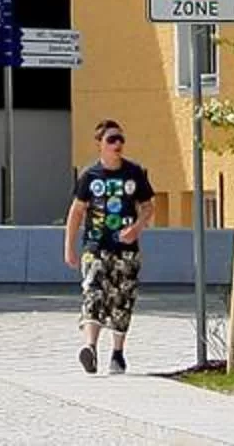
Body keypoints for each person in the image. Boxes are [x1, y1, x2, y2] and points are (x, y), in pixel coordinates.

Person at [64, 119, 154, 374]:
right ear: (99, 144)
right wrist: (69, 247)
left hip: (126, 250)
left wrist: (136, 228)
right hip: (95, 246)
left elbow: (148, 207)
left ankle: (117, 353)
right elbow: (76, 212)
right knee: (93, 292)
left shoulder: (134, 173)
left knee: (121, 300)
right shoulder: (89, 176)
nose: (117, 144)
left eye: (120, 139)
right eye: (112, 139)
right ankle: (90, 347)